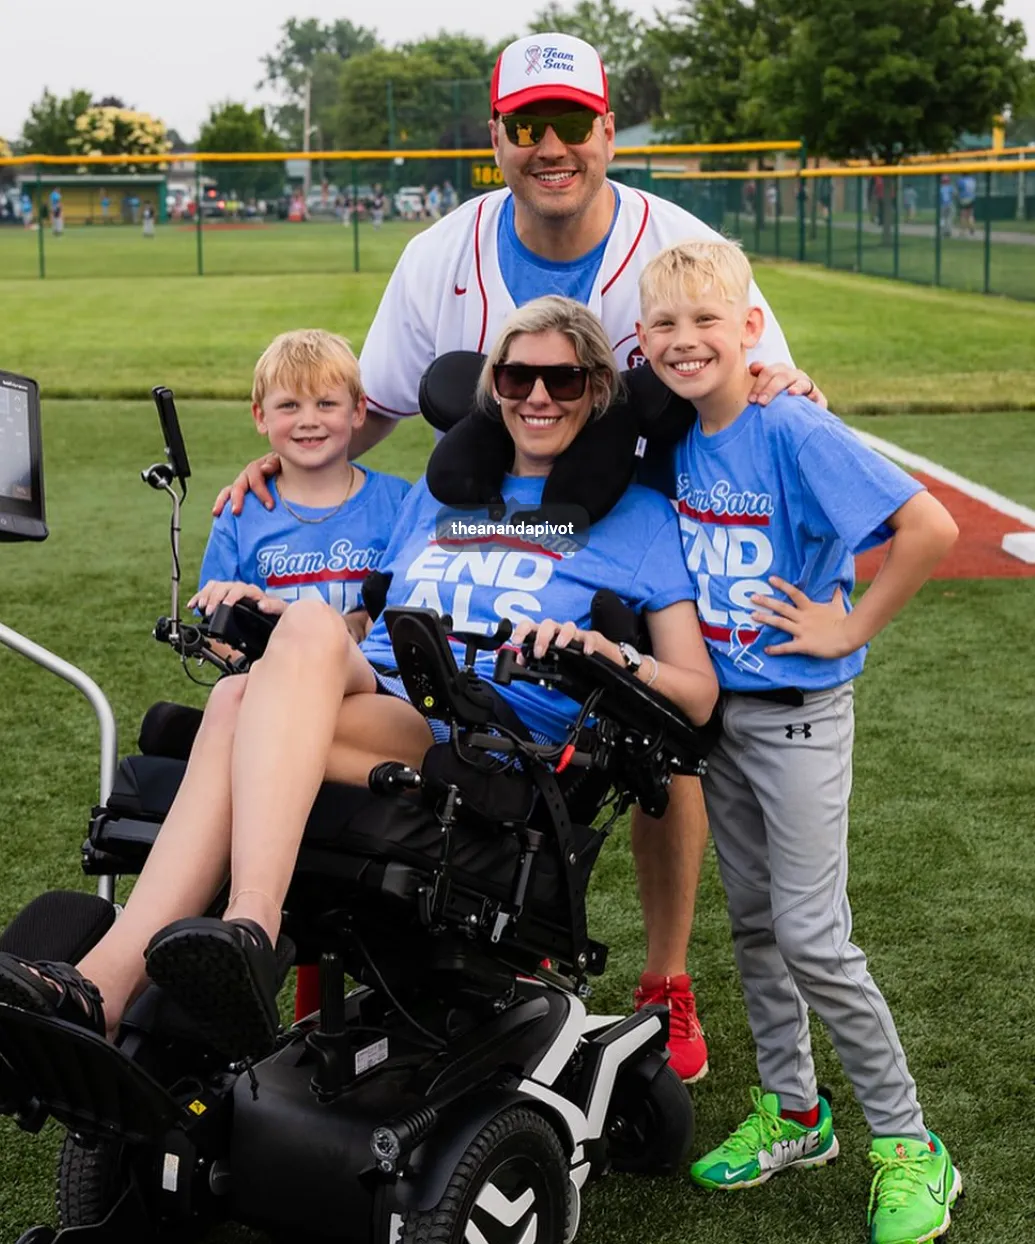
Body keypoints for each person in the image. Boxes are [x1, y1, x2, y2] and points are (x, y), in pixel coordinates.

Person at [215, 31, 827, 1085]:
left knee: (660, 745)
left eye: (572, 123)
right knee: (420, 681)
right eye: (527, 124)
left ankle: (666, 978)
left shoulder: (675, 241)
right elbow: (384, 402)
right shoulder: (440, 255)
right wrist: (293, 458)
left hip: (659, 499)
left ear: (607, 131)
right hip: (512, 509)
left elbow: (756, 373)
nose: (551, 146)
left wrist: (787, 391)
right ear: (496, 136)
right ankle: (410, 935)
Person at [0, 298, 718, 1068]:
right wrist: (276, 614)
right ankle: (216, 941)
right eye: (516, 377)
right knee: (291, 639)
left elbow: (698, 693)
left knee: (239, 701)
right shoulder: (437, 497)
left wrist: (613, 654)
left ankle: (120, 979)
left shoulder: (639, 519)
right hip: (378, 687)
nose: (536, 397)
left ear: (597, 390)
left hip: (474, 733)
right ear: (493, 388)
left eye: (563, 380)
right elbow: (360, 628)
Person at [635, 239, 961, 1244]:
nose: (684, 339)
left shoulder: (791, 424)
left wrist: (849, 626)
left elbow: (930, 527)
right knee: (756, 925)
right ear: (642, 339)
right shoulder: (677, 433)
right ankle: (796, 1112)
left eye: (706, 319)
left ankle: (910, 1143)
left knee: (815, 936)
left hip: (799, 715)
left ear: (748, 328)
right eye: (664, 323)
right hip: (723, 719)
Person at [193, 329, 410, 645]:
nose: (308, 420)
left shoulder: (400, 502)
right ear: (260, 416)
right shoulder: (240, 513)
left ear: (358, 411)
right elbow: (215, 629)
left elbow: (413, 606)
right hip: (272, 673)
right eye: (289, 405)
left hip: (372, 673)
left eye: (326, 403)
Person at [957, 172, 977, 236]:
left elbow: (959, 189)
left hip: (964, 199)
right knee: (970, 215)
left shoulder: (961, 180)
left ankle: (963, 231)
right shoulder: (972, 180)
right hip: (972, 198)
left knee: (963, 215)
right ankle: (972, 227)